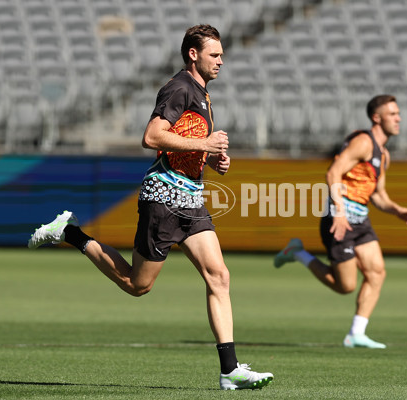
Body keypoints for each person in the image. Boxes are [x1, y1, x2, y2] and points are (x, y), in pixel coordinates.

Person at [28, 25, 273, 391]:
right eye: (215, 54)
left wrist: (210, 159)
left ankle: (230, 370)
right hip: (164, 197)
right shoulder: (179, 88)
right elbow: (151, 136)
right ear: (193, 54)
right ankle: (69, 232)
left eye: (221, 54)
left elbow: (182, 145)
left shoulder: (202, 94)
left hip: (190, 198)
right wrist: (205, 144)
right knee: (137, 284)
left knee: (219, 277)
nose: (222, 60)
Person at [274, 94, 407, 349]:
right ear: (376, 117)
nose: (398, 118)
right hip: (338, 219)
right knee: (345, 286)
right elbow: (333, 172)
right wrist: (338, 211)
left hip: (360, 220)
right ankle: (297, 253)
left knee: (377, 273)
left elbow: (378, 195)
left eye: (398, 113)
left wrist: (396, 210)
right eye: (392, 114)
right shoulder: (363, 142)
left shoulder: (383, 155)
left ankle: (356, 334)